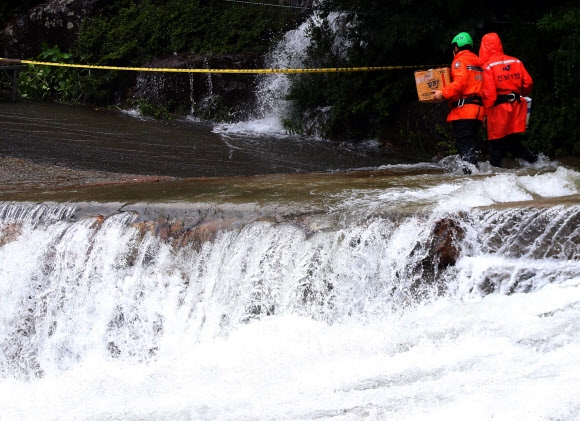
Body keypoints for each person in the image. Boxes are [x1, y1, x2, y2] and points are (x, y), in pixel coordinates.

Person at [478, 32, 537, 167]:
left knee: (496, 145)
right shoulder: (516, 61)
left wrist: (485, 114)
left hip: (499, 110)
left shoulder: (488, 66)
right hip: (517, 107)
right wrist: (519, 94)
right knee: (513, 141)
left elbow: (490, 95)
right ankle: (535, 163)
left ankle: (495, 175)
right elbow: (528, 83)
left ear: (484, 47)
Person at [432, 32, 485, 174]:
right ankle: (476, 178)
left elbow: (460, 83)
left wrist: (442, 93)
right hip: (477, 112)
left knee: (465, 150)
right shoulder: (478, 62)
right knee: (470, 149)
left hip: (464, 112)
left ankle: (473, 182)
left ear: (456, 47)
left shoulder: (459, 61)